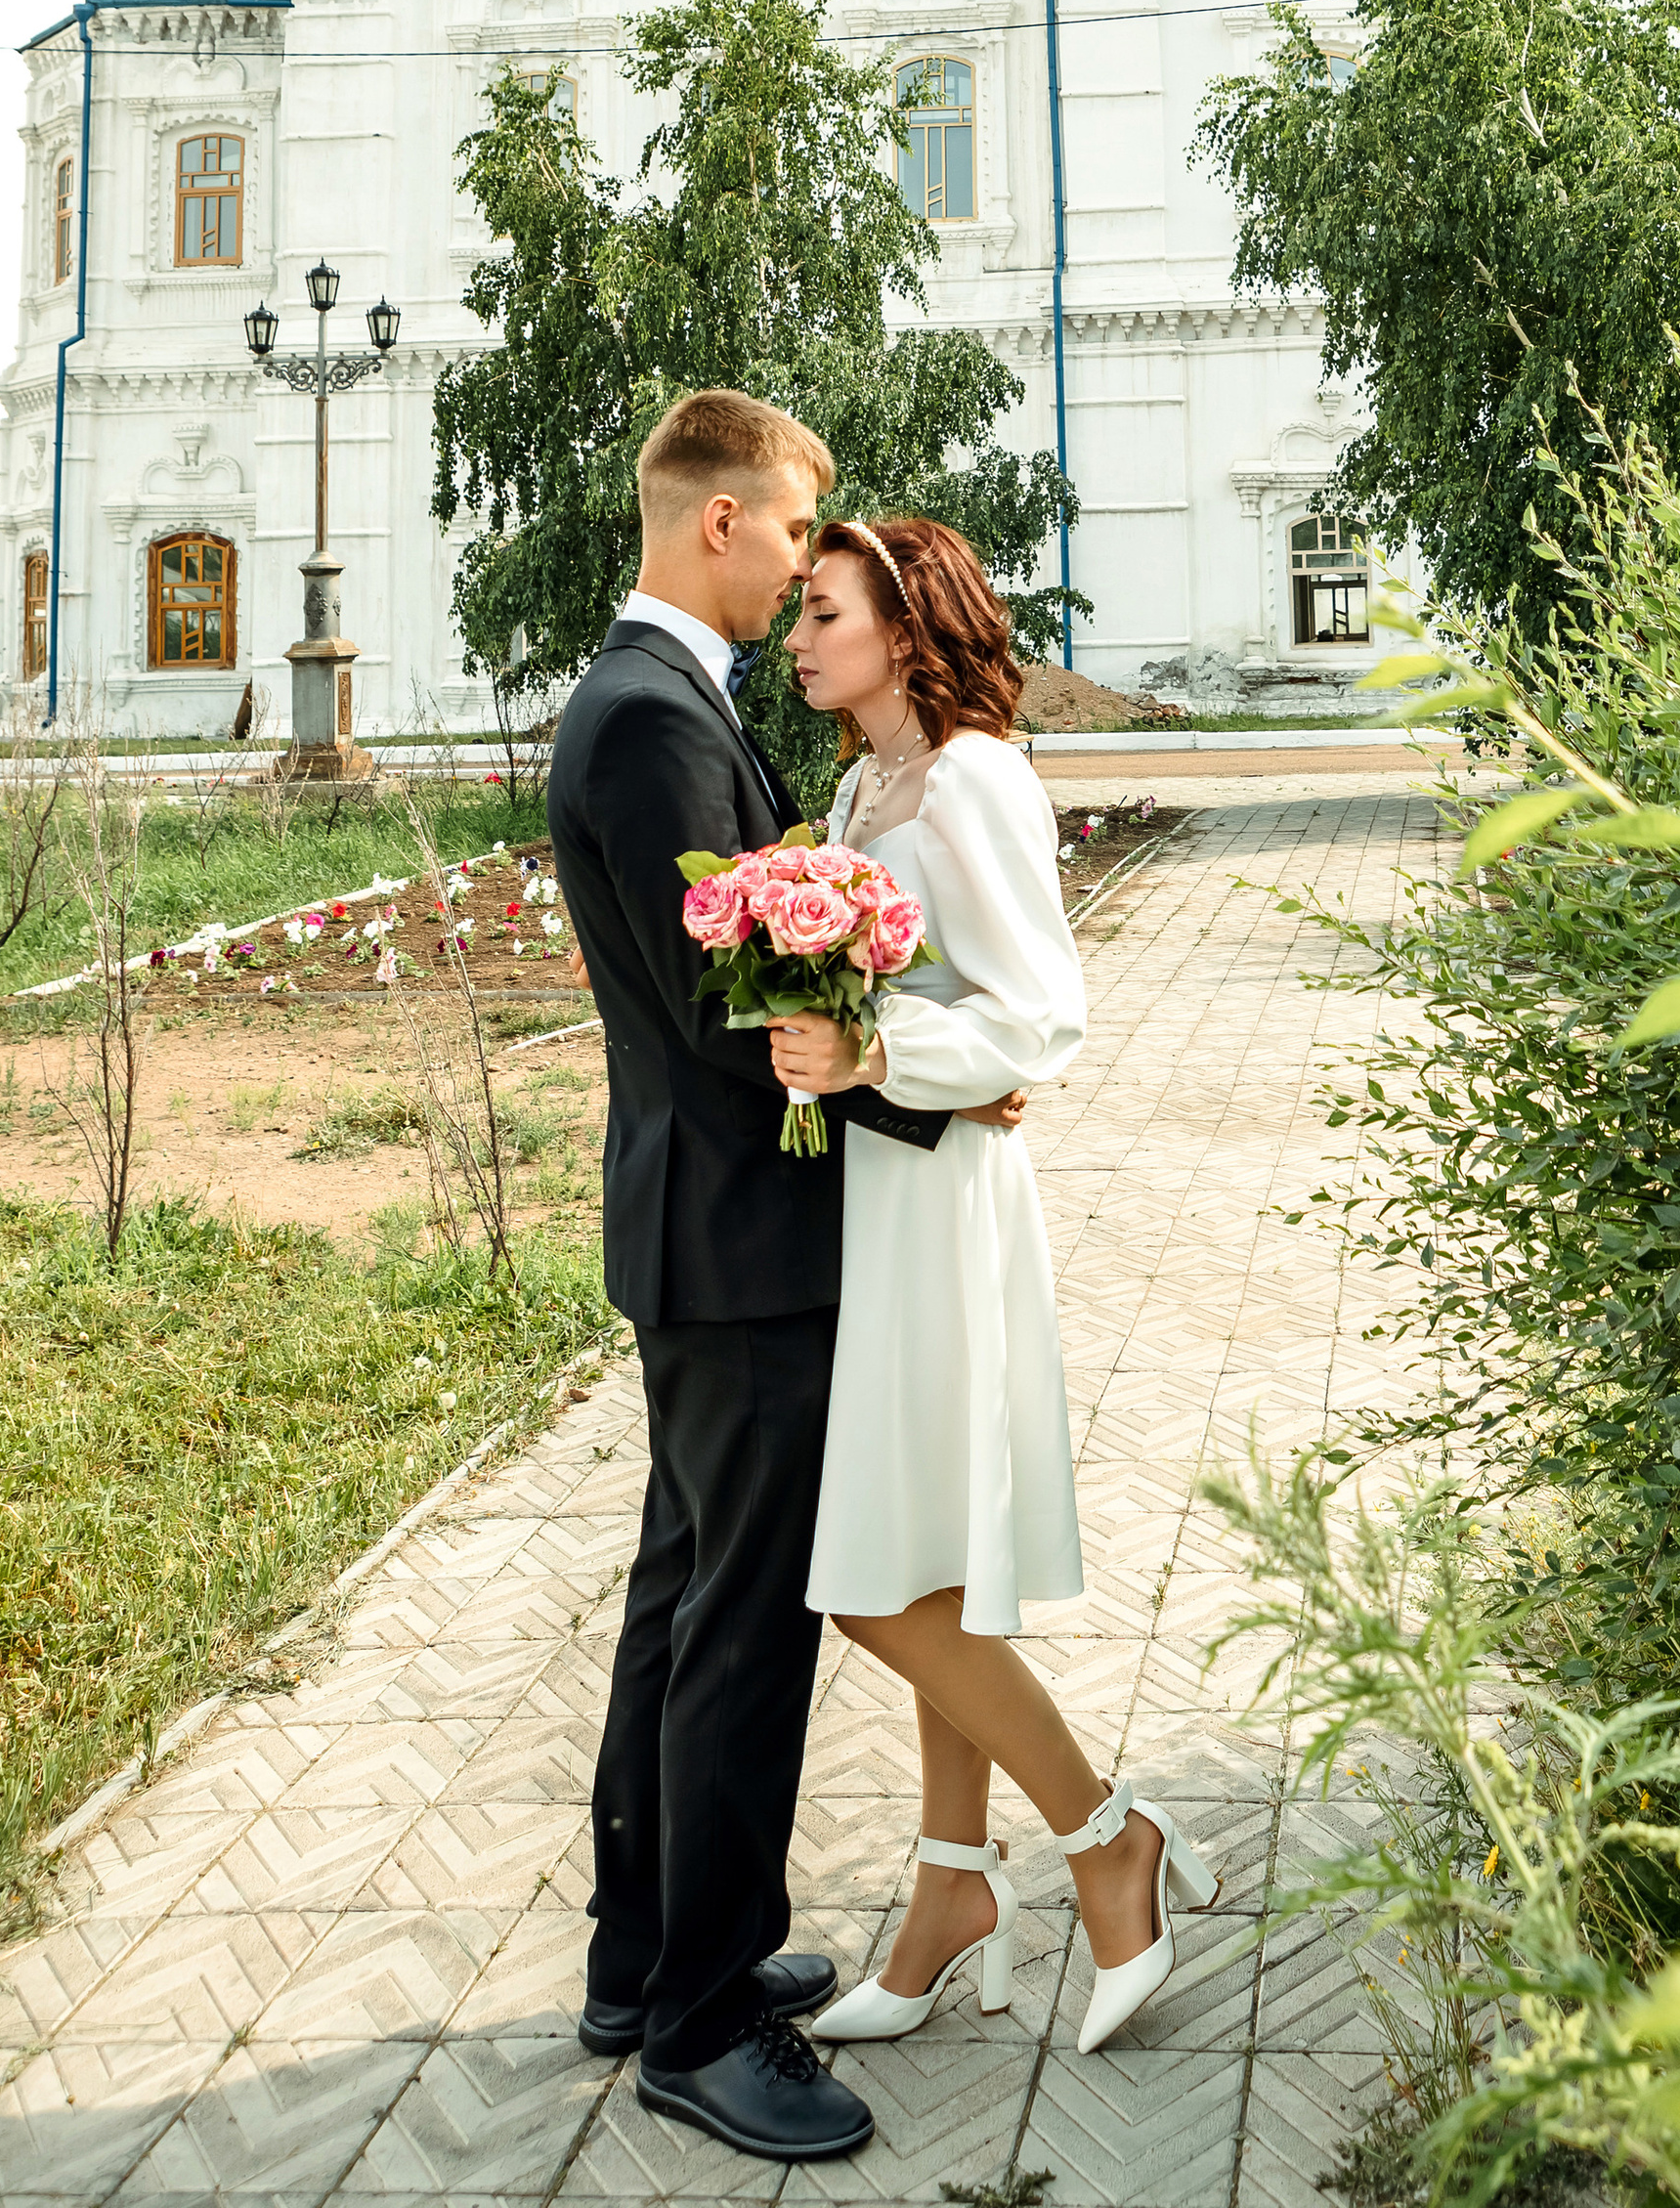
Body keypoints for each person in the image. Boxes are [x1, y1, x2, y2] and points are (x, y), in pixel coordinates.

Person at [546, 393, 1018, 2169]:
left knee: (684, 1595)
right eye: (796, 528)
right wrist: (928, 1088)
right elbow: (741, 1020)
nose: (798, 572)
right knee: (740, 1628)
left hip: (706, 1238)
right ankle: (706, 2014)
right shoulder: (655, 724)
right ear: (723, 521)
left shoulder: (651, 703)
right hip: (739, 1246)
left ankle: (636, 1957)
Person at [766, 516, 1220, 2061]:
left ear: (907, 627)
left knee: (876, 1589)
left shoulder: (971, 777)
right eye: (799, 614)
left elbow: (1042, 1018)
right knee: (925, 1567)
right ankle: (954, 1887)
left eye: (824, 613)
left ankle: (1107, 1842)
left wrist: (879, 1052)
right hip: (872, 1203)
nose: (799, 637)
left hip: (942, 1208)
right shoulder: (857, 784)